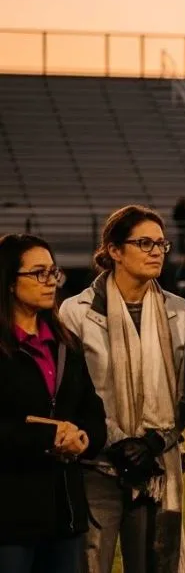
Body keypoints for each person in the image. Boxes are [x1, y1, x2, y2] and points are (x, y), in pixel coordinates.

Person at [59, 205, 185, 573]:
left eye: (161, 244)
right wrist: (114, 443)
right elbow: (70, 393)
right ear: (114, 250)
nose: (155, 251)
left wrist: (152, 443)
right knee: (90, 563)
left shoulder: (180, 311)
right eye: (144, 242)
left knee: (156, 564)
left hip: (156, 464)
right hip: (95, 465)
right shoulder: (75, 312)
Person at [0, 235, 106, 573]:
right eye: (37, 273)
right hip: (9, 517)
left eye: (52, 272)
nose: (50, 282)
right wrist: (50, 439)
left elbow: (93, 414)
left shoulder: (65, 344)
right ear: (9, 282)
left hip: (65, 513)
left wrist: (84, 439)